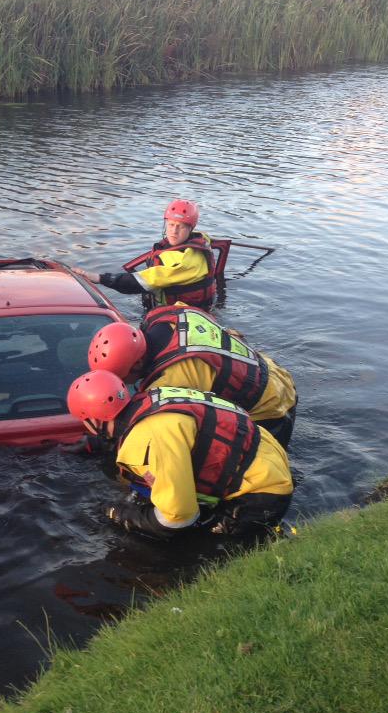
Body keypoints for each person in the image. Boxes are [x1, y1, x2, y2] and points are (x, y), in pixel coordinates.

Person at [67, 370, 293, 540]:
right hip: (266, 453)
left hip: (262, 492)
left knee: (207, 551)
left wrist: (123, 515)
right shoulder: (153, 396)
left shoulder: (145, 439)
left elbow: (178, 518)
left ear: (94, 420)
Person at [88, 304, 298, 449]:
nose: (123, 384)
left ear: (138, 364)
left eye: (124, 378)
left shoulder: (168, 382)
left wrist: (107, 439)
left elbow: (165, 433)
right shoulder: (163, 315)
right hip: (271, 370)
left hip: (270, 407)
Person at [69, 199, 217, 311]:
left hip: (183, 314)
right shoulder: (199, 241)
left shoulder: (186, 262)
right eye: (171, 225)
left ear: (191, 229)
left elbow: (143, 281)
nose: (174, 231)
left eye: (181, 227)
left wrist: (100, 278)